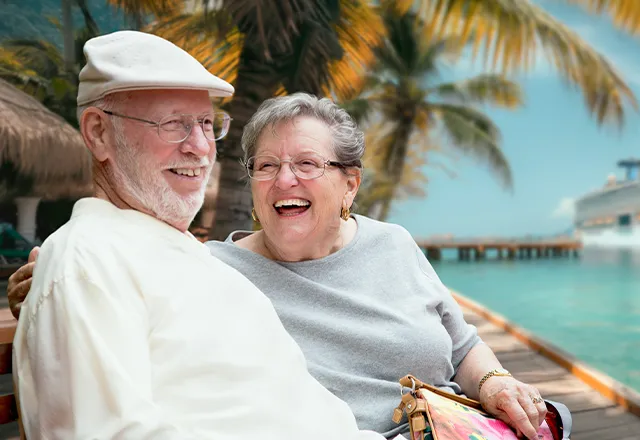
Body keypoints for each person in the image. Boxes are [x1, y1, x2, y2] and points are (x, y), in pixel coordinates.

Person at [8, 93, 556, 439]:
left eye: (306, 164)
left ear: (350, 184)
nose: (284, 179)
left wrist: (496, 383)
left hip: (458, 425)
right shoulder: (211, 270)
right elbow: (115, 286)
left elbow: (460, 346)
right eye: (267, 166)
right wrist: (42, 284)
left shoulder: (393, 243)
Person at [9, 30, 386, 440]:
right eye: (173, 124)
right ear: (99, 133)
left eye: (206, 123)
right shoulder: (90, 262)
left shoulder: (185, 256)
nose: (201, 147)